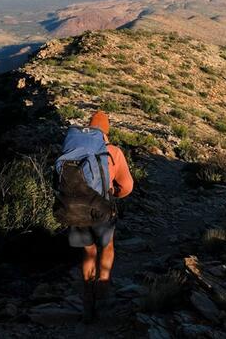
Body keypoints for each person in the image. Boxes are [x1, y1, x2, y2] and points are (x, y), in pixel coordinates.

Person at [68, 110, 133, 320]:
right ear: (107, 131)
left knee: (88, 252)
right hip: (102, 209)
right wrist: (115, 193)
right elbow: (127, 187)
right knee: (107, 246)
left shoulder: (75, 148)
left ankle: (87, 296)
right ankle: (103, 289)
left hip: (75, 207)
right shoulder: (113, 151)